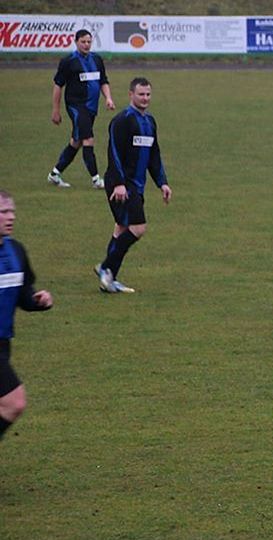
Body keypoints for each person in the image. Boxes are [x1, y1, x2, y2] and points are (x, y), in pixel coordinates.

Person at [94, 77, 172, 294]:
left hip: (137, 186)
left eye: (148, 94)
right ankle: (106, 267)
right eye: (141, 94)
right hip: (122, 185)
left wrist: (162, 183)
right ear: (131, 95)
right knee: (138, 228)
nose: (145, 98)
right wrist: (119, 184)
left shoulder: (150, 122)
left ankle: (109, 279)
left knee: (121, 228)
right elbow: (114, 153)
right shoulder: (122, 121)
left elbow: (154, 155)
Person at [0, 191, 54, 442]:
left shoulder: (16, 251)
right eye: (3, 212)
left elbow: (23, 294)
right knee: (14, 402)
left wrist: (37, 301)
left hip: (3, 344)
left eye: (12, 212)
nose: (10, 217)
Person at [48, 29, 115, 189]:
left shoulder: (97, 60)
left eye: (88, 42)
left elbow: (103, 81)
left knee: (76, 141)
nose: (86, 45)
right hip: (76, 106)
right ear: (76, 42)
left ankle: (54, 174)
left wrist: (108, 98)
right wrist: (55, 110)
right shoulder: (68, 61)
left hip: (91, 108)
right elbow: (58, 86)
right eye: (83, 42)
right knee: (88, 139)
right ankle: (96, 179)